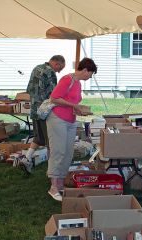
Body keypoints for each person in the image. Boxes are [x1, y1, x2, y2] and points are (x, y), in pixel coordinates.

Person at [46, 58, 97, 201]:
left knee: (68, 153)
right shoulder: (67, 79)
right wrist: (73, 106)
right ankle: (53, 187)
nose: (90, 77)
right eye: (90, 74)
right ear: (85, 70)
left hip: (71, 120)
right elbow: (54, 98)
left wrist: (79, 109)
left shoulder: (78, 83)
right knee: (58, 151)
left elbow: (75, 101)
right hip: (58, 119)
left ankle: (61, 184)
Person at [20, 55, 66, 173]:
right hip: (45, 111)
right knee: (51, 140)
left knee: (39, 136)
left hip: (35, 109)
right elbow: (54, 94)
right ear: (56, 63)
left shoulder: (37, 68)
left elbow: (29, 89)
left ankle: (27, 158)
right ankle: (52, 169)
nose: (59, 71)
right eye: (60, 68)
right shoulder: (50, 73)